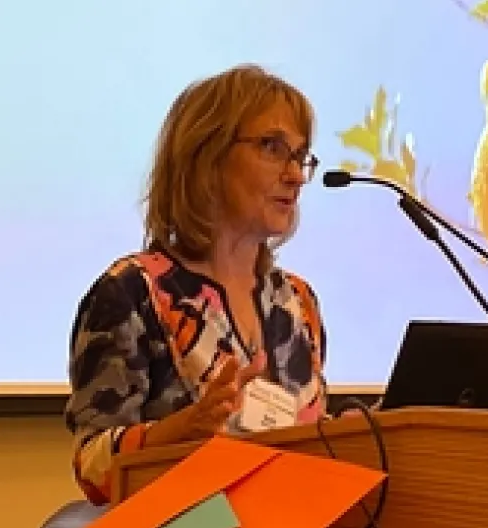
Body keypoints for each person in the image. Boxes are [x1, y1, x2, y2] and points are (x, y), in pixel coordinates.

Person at [62, 65, 330, 505]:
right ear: (206, 156)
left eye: (300, 156)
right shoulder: (131, 293)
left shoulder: (296, 302)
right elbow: (93, 468)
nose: (296, 175)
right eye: (272, 148)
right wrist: (182, 430)